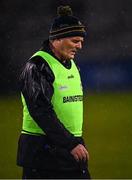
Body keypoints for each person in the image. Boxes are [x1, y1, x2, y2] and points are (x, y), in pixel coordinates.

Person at [17, 5, 91, 179]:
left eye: (81, 41)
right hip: (43, 154)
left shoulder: (71, 64)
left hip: (68, 149)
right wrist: (70, 143)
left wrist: (74, 143)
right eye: (75, 40)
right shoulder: (37, 66)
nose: (80, 46)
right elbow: (40, 110)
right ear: (57, 39)